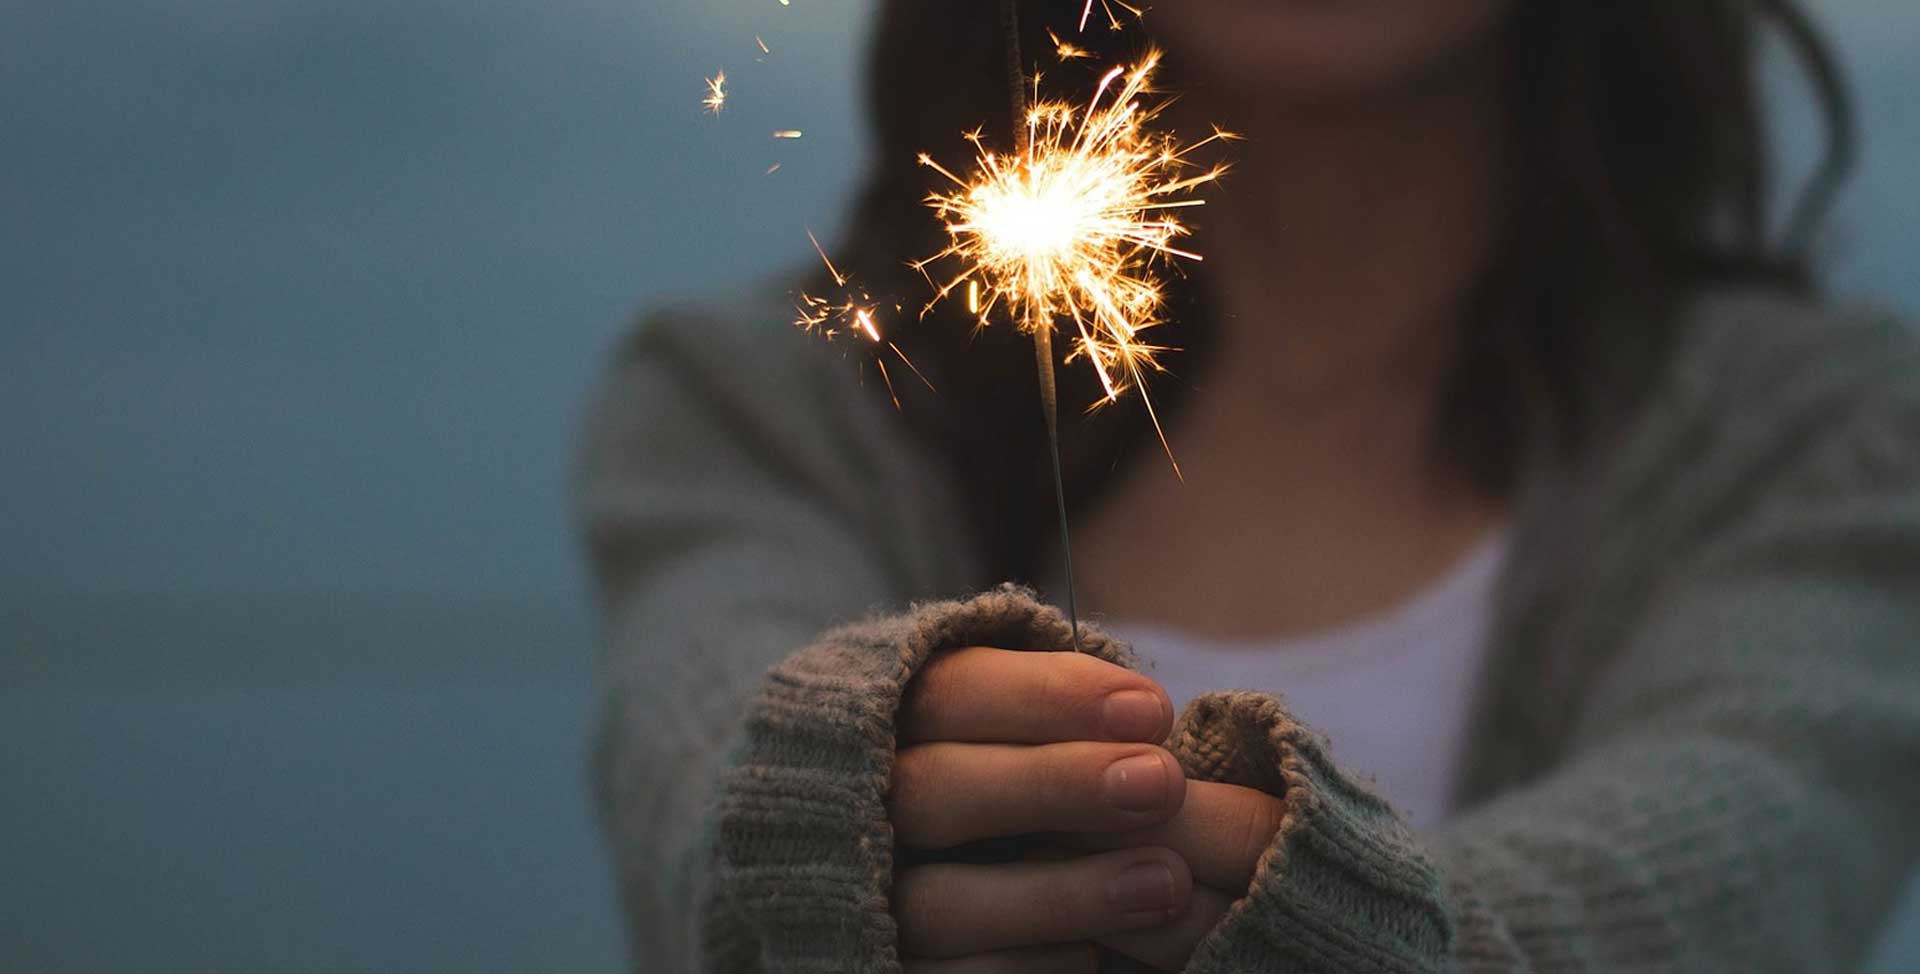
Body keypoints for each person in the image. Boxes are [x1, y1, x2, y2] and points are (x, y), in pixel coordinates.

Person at [579, 1, 1920, 970]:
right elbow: (706, 767)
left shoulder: (1828, 442)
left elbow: (1754, 849)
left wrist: (1356, 927)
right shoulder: (762, 410)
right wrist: (825, 813)